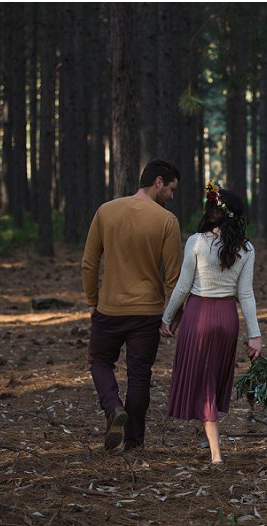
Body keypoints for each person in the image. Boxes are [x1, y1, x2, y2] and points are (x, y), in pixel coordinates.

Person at [82, 159, 182, 452]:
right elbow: (173, 278)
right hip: (147, 312)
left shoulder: (106, 211)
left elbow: (89, 262)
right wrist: (173, 314)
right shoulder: (167, 221)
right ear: (158, 182)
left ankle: (113, 407)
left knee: (100, 361)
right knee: (139, 375)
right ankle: (134, 442)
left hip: (109, 308)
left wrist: (92, 301)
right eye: (171, 189)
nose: (172, 196)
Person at [160, 183, 262, 465]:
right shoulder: (246, 248)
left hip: (199, 316)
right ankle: (210, 436)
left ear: (212, 212)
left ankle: (216, 454)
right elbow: (246, 294)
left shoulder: (196, 242)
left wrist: (167, 317)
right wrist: (255, 335)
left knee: (203, 381)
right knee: (212, 378)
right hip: (227, 318)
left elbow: (183, 286)